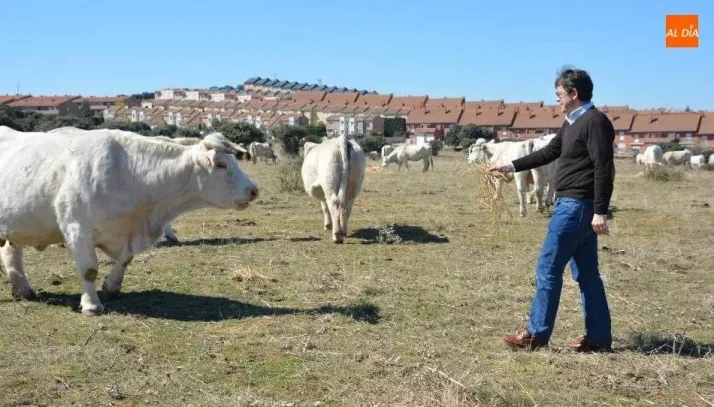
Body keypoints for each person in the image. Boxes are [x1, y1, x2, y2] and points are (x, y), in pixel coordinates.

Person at [489, 66, 616, 352]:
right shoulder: (572, 123)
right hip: (575, 206)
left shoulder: (595, 122)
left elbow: (604, 167)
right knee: (587, 275)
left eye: (559, 93)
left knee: (548, 267)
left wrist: (600, 211)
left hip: (575, 207)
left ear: (574, 93)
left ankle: (536, 334)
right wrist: (510, 166)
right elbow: (550, 152)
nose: (556, 98)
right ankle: (598, 338)